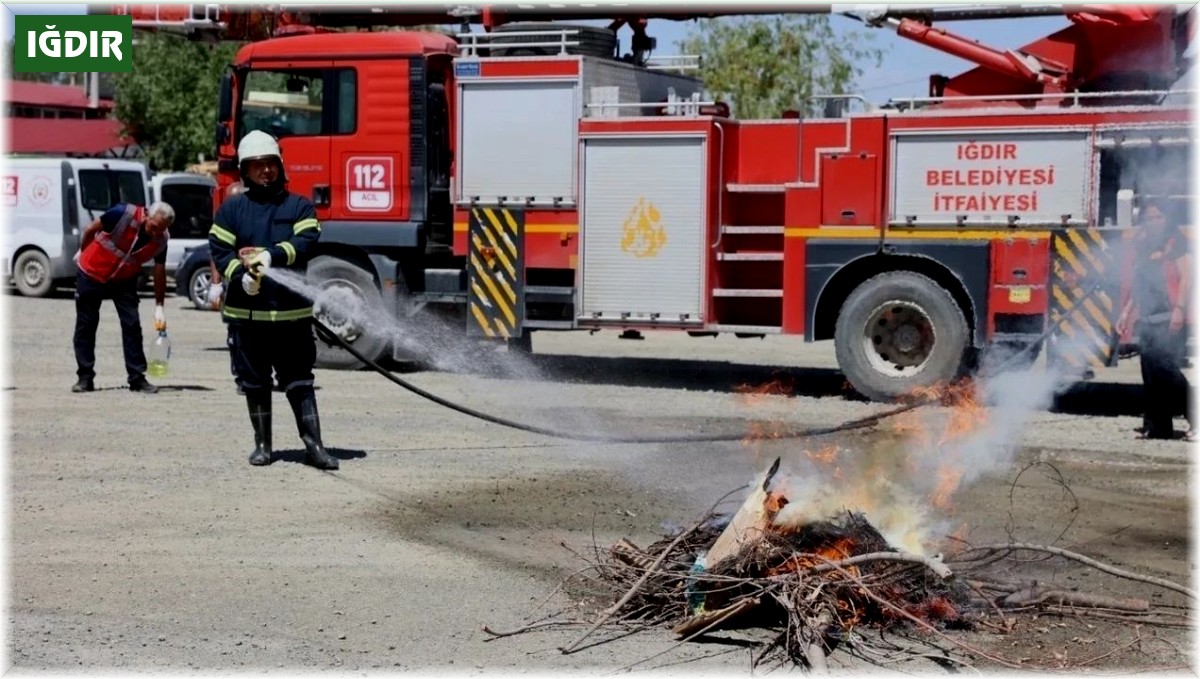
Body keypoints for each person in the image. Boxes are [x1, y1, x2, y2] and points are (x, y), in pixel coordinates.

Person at [208, 130, 339, 470]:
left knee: (300, 380)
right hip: (246, 317)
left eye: (270, 164)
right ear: (245, 171)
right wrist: (241, 277)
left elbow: (308, 239)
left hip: (291, 316)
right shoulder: (232, 210)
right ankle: (263, 446)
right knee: (254, 382)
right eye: (257, 166)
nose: (265, 171)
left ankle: (315, 446)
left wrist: (272, 257)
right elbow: (220, 251)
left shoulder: (299, 205)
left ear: (280, 166)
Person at [72, 201, 175, 394]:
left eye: (160, 230)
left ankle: (137, 378)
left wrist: (159, 306)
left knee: (132, 325)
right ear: (146, 215)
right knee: (86, 324)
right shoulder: (122, 214)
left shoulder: (161, 239)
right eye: (153, 227)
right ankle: (85, 377)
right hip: (93, 271)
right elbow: (90, 229)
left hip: (124, 278)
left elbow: (159, 270)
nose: (155, 233)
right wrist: (82, 252)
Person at [1116, 197, 1193, 441]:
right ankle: (1158, 427)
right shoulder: (1143, 246)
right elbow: (1140, 284)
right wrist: (1126, 313)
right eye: (1149, 218)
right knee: (1150, 375)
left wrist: (1180, 309)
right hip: (1148, 318)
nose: (1153, 222)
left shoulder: (1175, 241)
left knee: (1167, 371)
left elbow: (1187, 276)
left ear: (1166, 219)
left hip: (1170, 316)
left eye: (1158, 217)